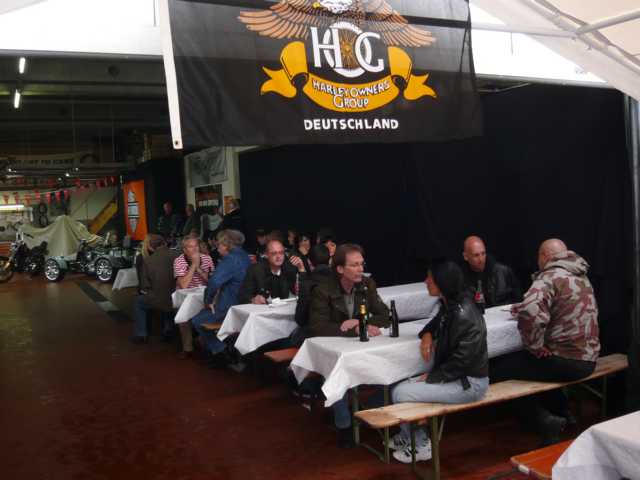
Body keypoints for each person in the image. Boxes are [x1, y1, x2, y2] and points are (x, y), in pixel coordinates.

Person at [491, 239, 600, 444]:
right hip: (590, 359)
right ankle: (563, 410)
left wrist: (535, 346)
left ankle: (544, 421)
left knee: (501, 370)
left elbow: (531, 311)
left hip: (567, 362)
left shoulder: (549, 276)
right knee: (538, 367)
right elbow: (563, 305)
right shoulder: (580, 275)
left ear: (544, 257)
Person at [389, 259, 489, 463]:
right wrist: (427, 335)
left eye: (430, 278)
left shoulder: (464, 313)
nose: (425, 281)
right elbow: (435, 323)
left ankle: (421, 444)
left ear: (443, 282)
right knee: (397, 383)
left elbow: (463, 360)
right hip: (458, 377)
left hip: (470, 384)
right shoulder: (451, 304)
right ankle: (409, 436)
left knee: (401, 393)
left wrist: (434, 377)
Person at [308, 243, 390, 447]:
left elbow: (385, 315)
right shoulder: (322, 289)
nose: (361, 269)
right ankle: (344, 424)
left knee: (391, 366)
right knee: (336, 371)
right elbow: (317, 327)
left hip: (361, 345)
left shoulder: (367, 284)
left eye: (362, 264)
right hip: (334, 347)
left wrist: (359, 323)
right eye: (354, 265)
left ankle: (364, 410)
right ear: (340, 269)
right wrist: (350, 328)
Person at [190, 230, 251, 366]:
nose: (217, 248)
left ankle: (221, 352)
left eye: (219, 245)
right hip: (244, 304)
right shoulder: (245, 256)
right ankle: (224, 350)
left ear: (226, 245)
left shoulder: (230, 259)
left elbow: (214, 282)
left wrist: (208, 301)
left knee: (197, 320)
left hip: (230, 305)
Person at [173, 236, 215, 358]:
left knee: (209, 313)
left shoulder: (207, 259)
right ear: (184, 249)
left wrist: (198, 268)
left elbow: (212, 282)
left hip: (202, 295)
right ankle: (188, 348)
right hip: (184, 296)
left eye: (196, 246)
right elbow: (183, 285)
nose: (195, 249)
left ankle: (205, 344)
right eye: (191, 247)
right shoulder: (179, 261)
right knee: (183, 317)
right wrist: (193, 266)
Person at [132, 234, 177, 344]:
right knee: (167, 301)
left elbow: (144, 285)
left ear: (150, 247)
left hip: (158, 299)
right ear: (164, 243)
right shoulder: (177, 255)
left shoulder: (147, 261)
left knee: (139, 302)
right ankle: (168, 328)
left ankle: (142, 334)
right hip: (176, 297)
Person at [461, 235, 522, 309]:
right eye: (476, 255)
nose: (481, 259)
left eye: (483, 253)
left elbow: (519, 300)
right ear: (466, 256)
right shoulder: (461, 279)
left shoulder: (503, 272)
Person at [238, 239, 306, 304]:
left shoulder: (289, 267)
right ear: (266, 255)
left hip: (284, 308)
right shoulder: (255, 270)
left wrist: (301, 269)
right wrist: (253, 299)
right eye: (274, 253)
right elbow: (242, 296)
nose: (278, 256)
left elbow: (304, 292)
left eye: (281, 253)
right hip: (262, 310)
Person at [292, 244, 332, 345]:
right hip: (336, 333)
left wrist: (302, 274)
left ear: (309, 262)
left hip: (313, 337)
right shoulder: (339, 279)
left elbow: (300, 319)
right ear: (330, 260)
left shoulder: (308, 284)